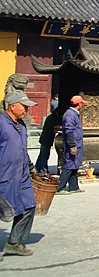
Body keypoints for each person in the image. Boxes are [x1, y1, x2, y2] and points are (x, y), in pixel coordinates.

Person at [0, 92, 38, 259]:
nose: (27, 110)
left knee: (29, 205)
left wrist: (31, 167)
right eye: (24, 106)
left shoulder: (21, 125)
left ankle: (13, 243)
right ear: (12, 106)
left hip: (21, 174)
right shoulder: (1, 123)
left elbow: (22, 149)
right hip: (4, 175)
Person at [57, 95, 86, 195]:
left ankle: (74, 187)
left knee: (74, 166)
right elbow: (68, 131)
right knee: (69, 166)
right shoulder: (70, 115)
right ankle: (60, 187)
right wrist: (72, 145)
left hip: (76, 143)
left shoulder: (74, 114)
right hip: (72, 144)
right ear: (79, 104)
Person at [34, 100, 57, 174]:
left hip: (46, 139)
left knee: (42, 155)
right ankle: (43, 170)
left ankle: (37, 168)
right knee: (44, 156)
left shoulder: (51, 117)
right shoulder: (52, 118)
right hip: (46, 139)